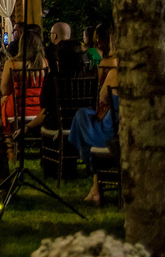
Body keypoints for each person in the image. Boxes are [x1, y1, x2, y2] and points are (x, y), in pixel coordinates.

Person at [69, 34, 119, 204]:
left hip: (114, 130)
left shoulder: (115, 73)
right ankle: (95, 187)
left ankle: (92, 169)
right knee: (84, 117)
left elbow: (102, 98)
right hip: (133, 127)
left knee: (82, 116)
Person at [1, 29, 47, 135]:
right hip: (40, 111)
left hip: (16, 110)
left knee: (1, 102)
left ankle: (9, 140)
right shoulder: (45, 63)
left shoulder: (11, 64)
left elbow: (4, 91)